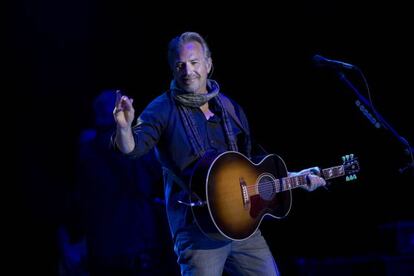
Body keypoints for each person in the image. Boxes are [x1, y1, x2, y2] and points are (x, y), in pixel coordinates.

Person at [112, 31, 326, 275]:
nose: (187, 71)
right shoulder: (162, 109)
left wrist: (295, 177)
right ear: (173, 69)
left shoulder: (230, 107)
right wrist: (123, 127)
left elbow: (255, 163)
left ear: (208, 64)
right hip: (199, 232)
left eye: (194, 63)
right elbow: (131, 149)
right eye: (180, 65)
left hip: (244, 226)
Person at [71, 89, 174, 276]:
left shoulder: (85, 152)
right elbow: (160, 169)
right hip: (137, 242)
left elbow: (79, 199)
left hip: (101, 247)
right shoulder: (133, 147)